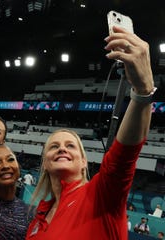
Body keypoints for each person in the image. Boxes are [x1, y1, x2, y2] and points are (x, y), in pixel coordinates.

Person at [26, 26, 156, 239]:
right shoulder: (36, 221)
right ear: (45, 162)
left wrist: (143, 92)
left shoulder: (101, 196)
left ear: (84, 162)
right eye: (54, 146)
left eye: (70, 146)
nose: (62, 149)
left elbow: (123, 156)